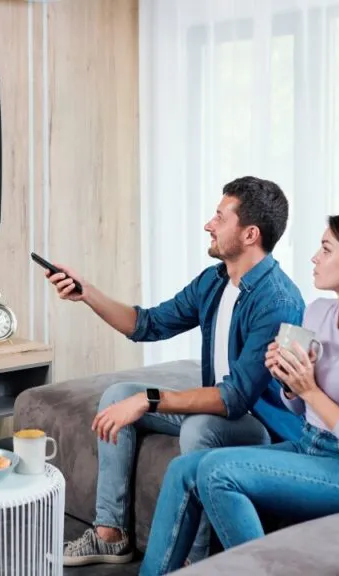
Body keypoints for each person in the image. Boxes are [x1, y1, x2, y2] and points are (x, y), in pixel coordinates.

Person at [46, 176, 307, 567]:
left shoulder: (278, 301)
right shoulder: (215, 281)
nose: (208, 224)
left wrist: (148, 400)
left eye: (220, 217)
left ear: (250, 234)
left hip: (261, 425)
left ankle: (194, 561)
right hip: (222, 407)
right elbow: (146, 324)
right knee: (118, 394)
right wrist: (88, 292)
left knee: (199, 428)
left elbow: (235, 400)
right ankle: (110, 534)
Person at [139, 208, 339, 576]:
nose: (314, 258)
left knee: (218, 473)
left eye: (326, 249)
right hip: (310, 444)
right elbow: (301, 410)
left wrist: (311, 390)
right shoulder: (317, 312)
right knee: (184, 469)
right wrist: (287, 381)